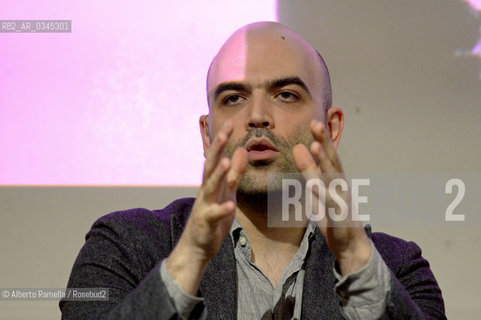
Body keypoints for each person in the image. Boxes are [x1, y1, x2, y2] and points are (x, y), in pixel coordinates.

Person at [60, 21, 446, 319]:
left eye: (285, 95)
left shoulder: (396, 266)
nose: (258, 116)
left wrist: (355, 257)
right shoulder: (125, 246)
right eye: (233, 98)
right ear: (208, 134)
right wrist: (190, 258)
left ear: (331, 128)